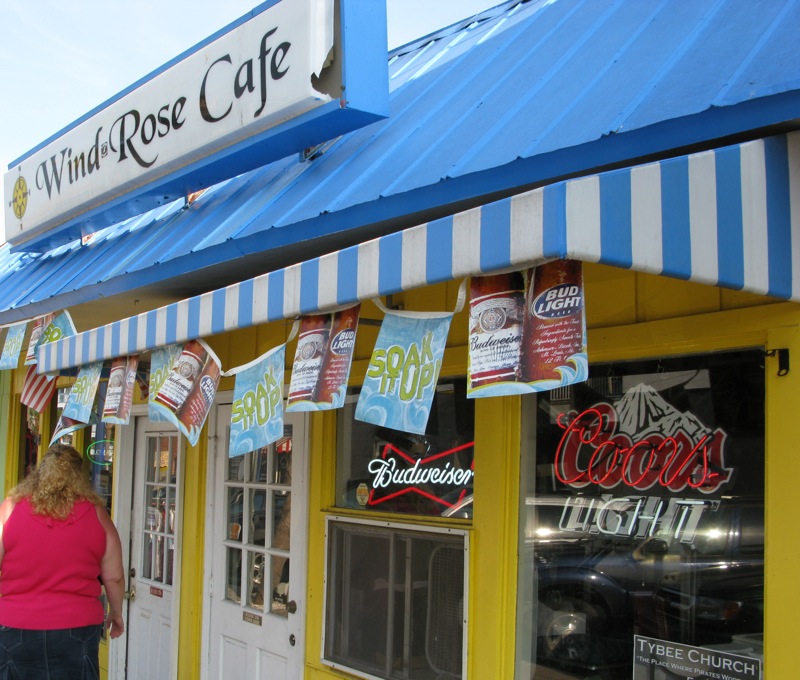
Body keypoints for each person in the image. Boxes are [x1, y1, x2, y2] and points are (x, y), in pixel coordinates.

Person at [0, 443, 125, 679]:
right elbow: (114, 577)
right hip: (77, 627)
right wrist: (116, 613)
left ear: (39, 474)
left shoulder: (9, 510)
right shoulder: (97, 514)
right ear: (80, 476)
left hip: (15, 626)